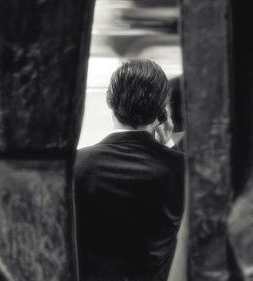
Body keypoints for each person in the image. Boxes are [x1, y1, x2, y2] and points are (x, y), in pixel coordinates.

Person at [75, 58, 186, 281]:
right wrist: (169, 147)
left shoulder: (76, 165)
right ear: (161, 113)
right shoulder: (181, 169)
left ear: (110, 102)